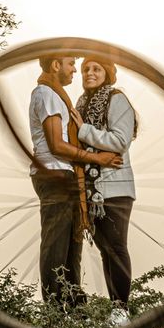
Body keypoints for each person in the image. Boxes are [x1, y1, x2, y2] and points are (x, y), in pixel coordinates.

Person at [29, 54, 122, 307]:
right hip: (55, 173)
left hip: (65, 174)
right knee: (56, 247)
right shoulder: (47, 94)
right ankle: (54, 309)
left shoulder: (56, 96)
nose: (74, 70)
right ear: (55, 65)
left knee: (72, 246)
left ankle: (74, 308)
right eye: (71, 64)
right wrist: (97, 158)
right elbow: (57, 145)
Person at [70, 56, 137, 325]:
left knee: (117, 248)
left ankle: (122, 309)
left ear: (107, 73)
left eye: (96, 69)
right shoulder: (81, 104)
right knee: (105, 250)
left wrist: (83, 130)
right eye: (85, 69)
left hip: (116, 186)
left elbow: (120, 141)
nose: (89, 73)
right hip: (91, 190)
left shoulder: (117, 99)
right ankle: (115, 309)